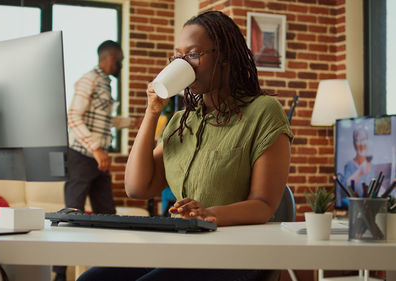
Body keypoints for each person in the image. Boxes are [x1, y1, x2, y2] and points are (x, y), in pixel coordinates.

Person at [77, 11, 293, 281]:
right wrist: (152, 111)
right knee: (91, 280)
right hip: (183, 248)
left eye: (192, 54)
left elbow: (263, 205)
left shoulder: (263, 112)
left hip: (238, 253)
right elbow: (137, 187)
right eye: (177, 57)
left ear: (224, 57)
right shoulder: (182, 122)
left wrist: (208, 214)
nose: (183, 65)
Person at [53, 40, 134, 281]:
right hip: (81, 156)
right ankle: (59, 274)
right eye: (120, 59)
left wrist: (131, 123)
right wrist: (96, 148)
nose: (121, 63)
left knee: (107, 215)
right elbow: (73, 117)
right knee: (70, 217)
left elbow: (101, 120)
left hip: (99, 160)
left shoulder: (106, 84)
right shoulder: (89, 79)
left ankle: (111, 270)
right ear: (109, 57)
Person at [343, 125, 374, 199]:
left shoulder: (372, 166)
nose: (361, 145)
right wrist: (360, 171)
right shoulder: (349, 165)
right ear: (354, 143)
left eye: (363, 140)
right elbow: (346, 188)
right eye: (358, 140)